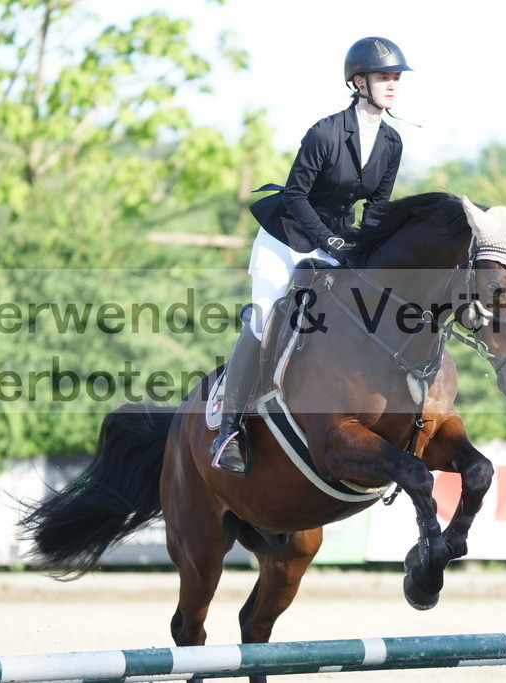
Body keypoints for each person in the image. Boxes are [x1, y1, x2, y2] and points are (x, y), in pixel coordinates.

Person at [211, 36, 413, 476]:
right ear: (359, 81)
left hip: (337, 239)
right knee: (266, 320)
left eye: (396, 77)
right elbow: (297, 194)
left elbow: (376, 207)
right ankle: (231, 429)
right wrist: (330, 241)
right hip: (287, 235)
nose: (393, 84)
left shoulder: (392, 143)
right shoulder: (325, 132)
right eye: (384, 77)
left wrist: (365, 248)